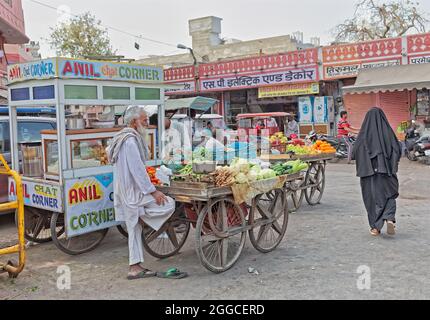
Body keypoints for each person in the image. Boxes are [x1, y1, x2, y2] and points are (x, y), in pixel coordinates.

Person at [107, 106, 176, 280]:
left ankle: (134, 267)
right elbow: (138, 170)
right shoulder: (129, 141)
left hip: (126, 190)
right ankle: (145, 218)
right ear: (133, 122)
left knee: (134, 229)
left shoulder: (122, 138)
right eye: (144, 120)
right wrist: (153, 192)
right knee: (169, 203)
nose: (147, 123)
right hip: (133, 192)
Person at [352, 107, 402, 237]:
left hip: (368, 173)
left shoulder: (363, 134)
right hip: (387, 171)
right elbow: (397, 149)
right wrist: (391, 164)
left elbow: (354, 152)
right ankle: (389, 217)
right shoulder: (388, 132)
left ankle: (375, 228)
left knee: (371, 199)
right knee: (390, 194)